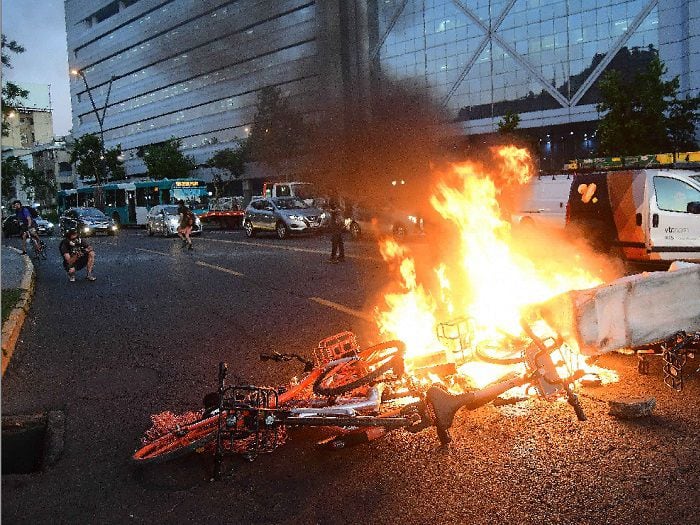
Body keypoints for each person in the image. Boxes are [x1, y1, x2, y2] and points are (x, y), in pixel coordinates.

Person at [327, 195, 345, 263]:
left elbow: (337, 210)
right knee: (340, 240)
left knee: (335, 240)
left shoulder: (335, 200)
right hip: (339, 222)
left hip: (336, 223)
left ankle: (333, 257)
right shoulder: (340, 199)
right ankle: (341, 256)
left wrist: (331, 210)